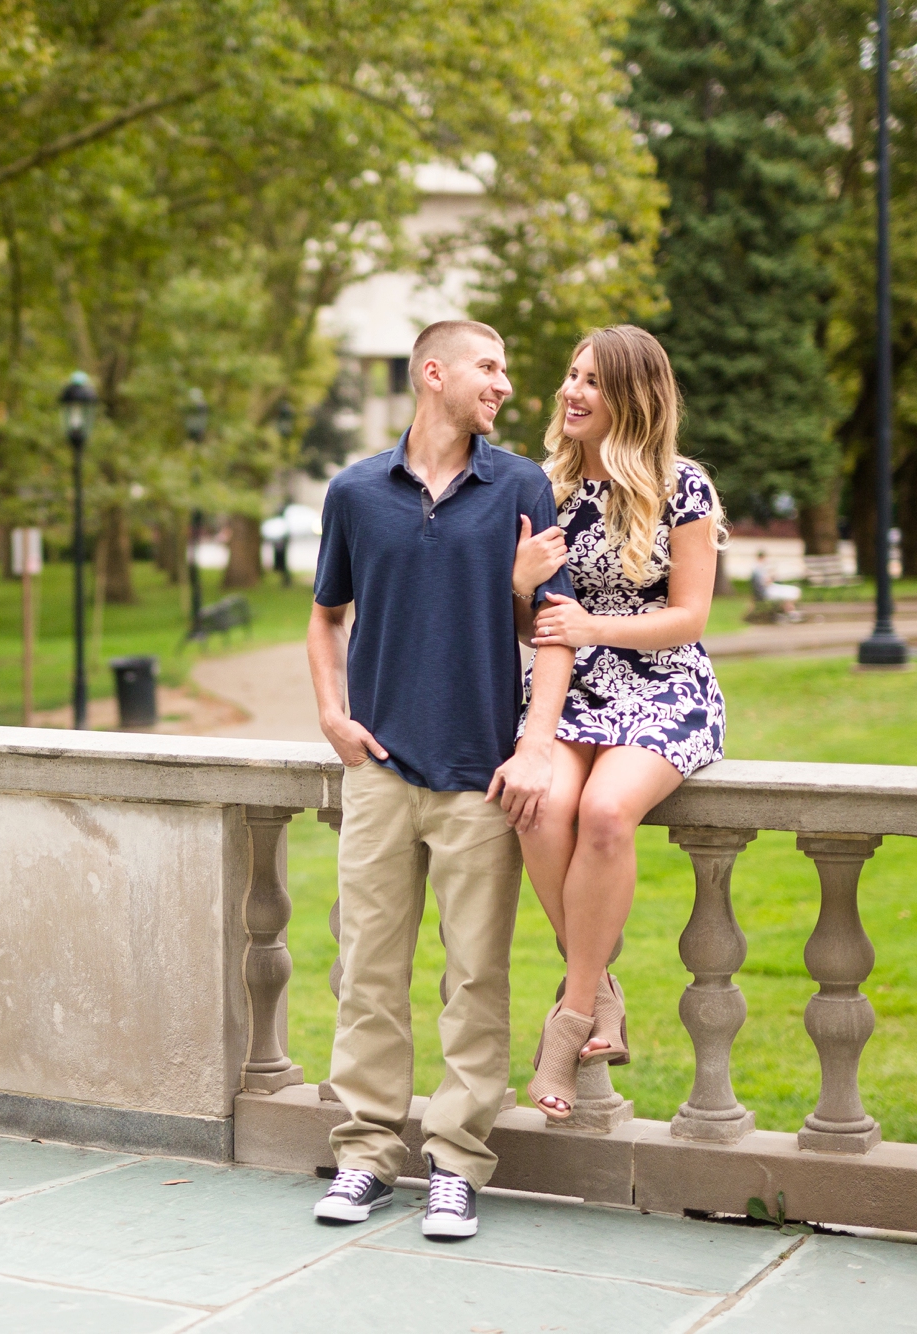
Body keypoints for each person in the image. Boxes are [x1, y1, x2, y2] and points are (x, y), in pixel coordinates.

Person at [308, 319, 575, 1240]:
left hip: (478, 774)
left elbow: (554, 631)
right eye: (489, 367)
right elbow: (325, 616)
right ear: (435, 374)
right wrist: (331, 713)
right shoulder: (354, 493)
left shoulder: (522, 488)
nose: (504, 384)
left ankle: (456, 1164)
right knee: (368, 976)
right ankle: (365, 1157)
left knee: (475, 979)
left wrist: (535, 745)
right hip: (380, 771)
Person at [508, 324, 727, 1120]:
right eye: (570, 376)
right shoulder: (540, 487)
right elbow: (519, 619)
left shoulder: (683, 486)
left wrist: (594, 627)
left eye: (592, 382)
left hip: (665, 682)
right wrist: (517, 584)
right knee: (536, 804)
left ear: (631, 398)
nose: (571, 392)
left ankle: (567, 1025)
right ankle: (599, 990)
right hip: (567, 686)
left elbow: (690, 616)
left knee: (604, 813)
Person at [748, 549, 802, 622]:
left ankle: (788, 612)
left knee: (789, 593)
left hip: (767, 589)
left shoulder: (759, 568)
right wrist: (772, 578)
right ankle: (789, 612)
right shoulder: (758, 569)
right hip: (766, 591)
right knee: (791, 593)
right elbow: (764, 582)